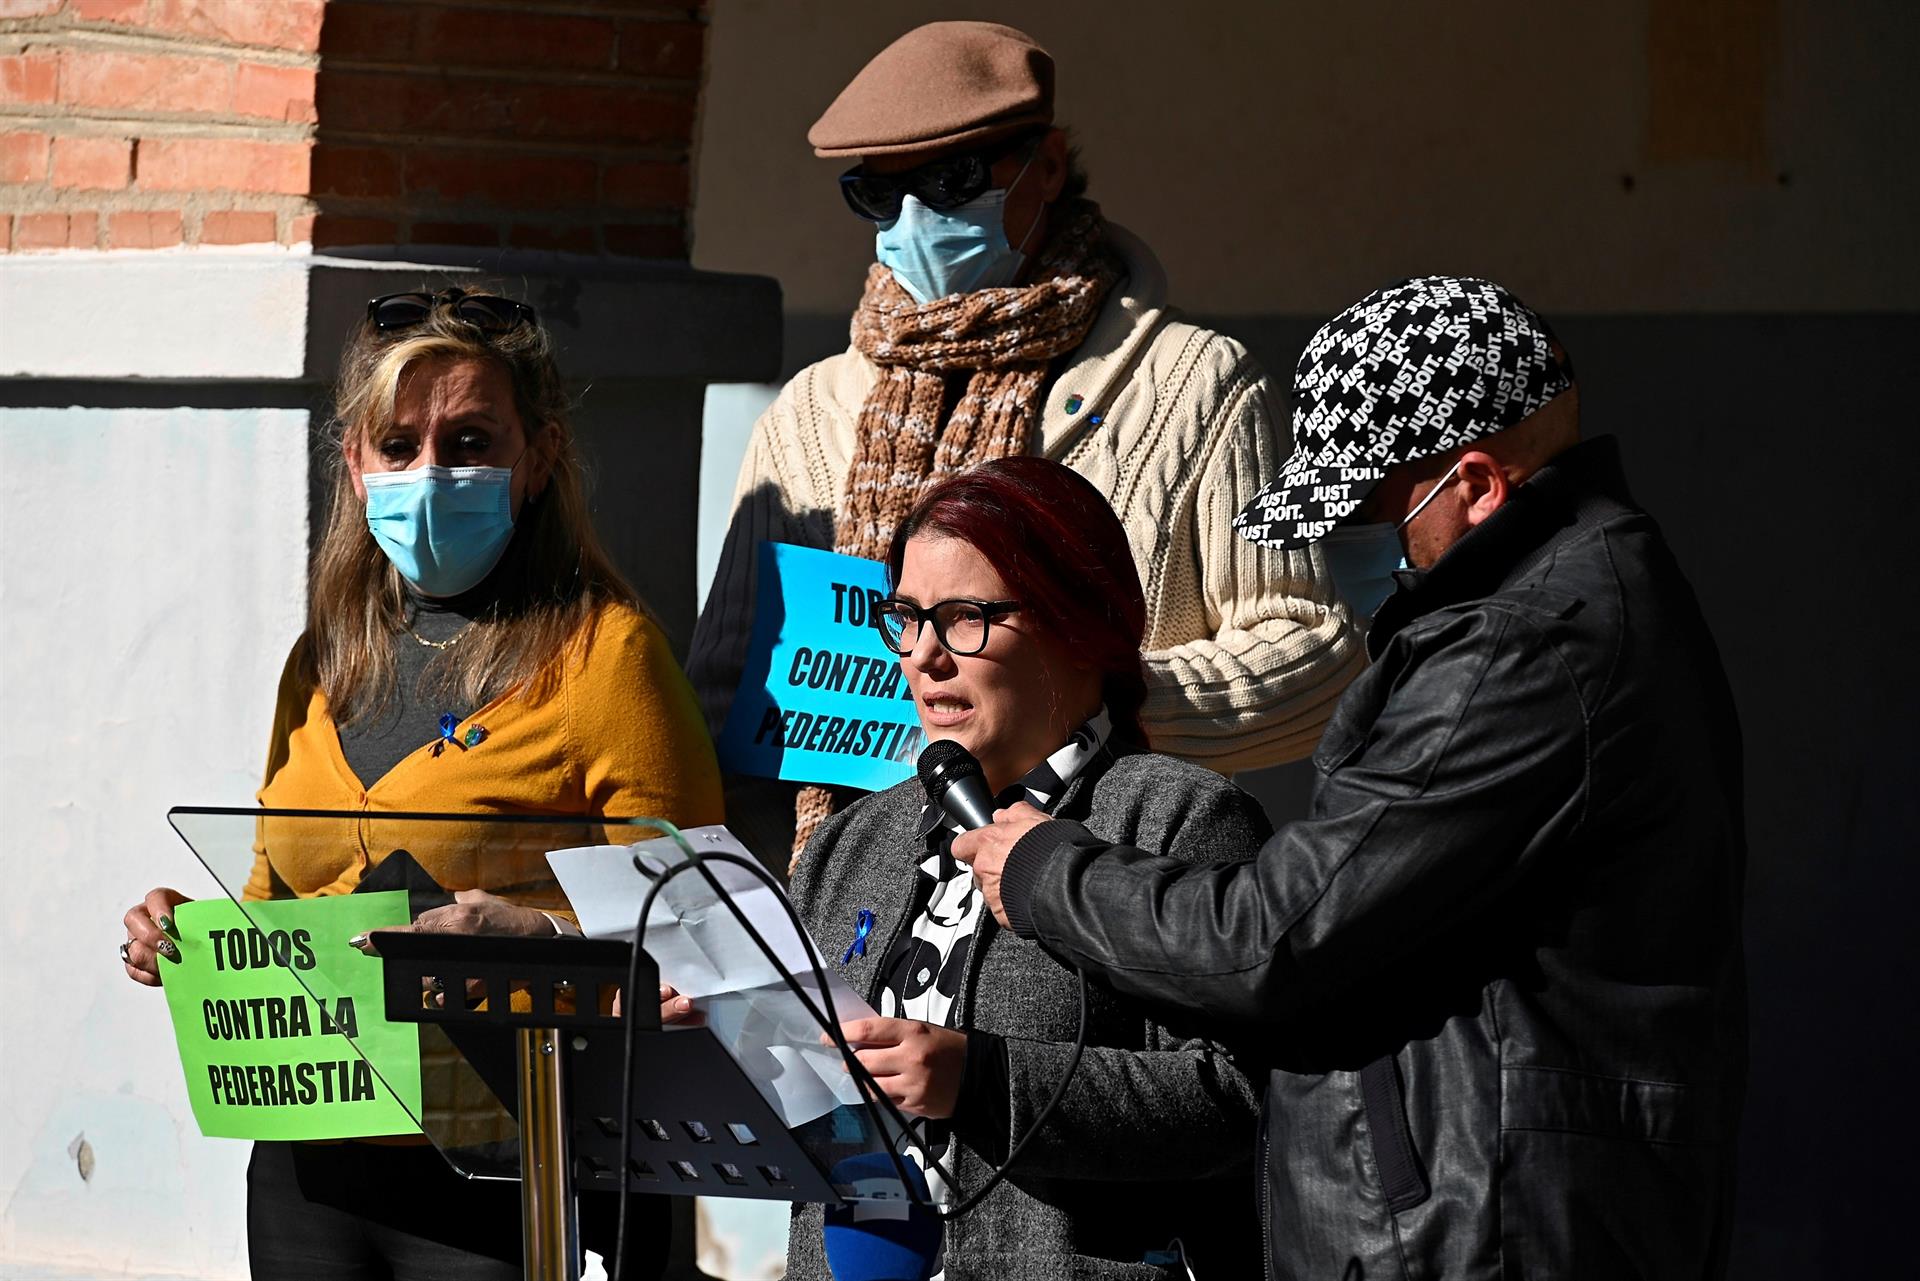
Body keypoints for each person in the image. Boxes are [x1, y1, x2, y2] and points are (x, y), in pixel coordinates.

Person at [956, 277, 1748, 1279]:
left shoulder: (1522, 647)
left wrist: (1042, 869)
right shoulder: (1585, 595)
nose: (1349, 552)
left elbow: (1276, 937)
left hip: (1480, 1232)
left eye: (1368, 512)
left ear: (1476, 483)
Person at [119, 287, 724, 1280]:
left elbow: (705, 934)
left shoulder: (607, 657)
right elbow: (280, 904)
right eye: (398, 447)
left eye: (472, 441)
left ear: (538, 459)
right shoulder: (324, 662)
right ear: (356, 463)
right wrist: (190, 938)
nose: (430, 473)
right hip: (308, 1161)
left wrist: (540, 940)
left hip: (504, 1162)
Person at [686, 19, 1363, 867]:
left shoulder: (1196, 383)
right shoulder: (813, 406)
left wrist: (1082, 707)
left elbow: (1311, 646)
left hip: (1102, 876)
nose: (911, 219)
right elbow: (725, 691)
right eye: (876, 194)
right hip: (853, 890)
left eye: (949, 179)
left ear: (1045, 167)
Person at [759, 456, 1268, 1278]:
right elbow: (808, 1105)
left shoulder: (1177, 819)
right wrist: (721, 1037)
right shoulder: (849, 842)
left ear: (1079, 627)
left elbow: (1243, 1099)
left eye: (965, 617)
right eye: (908, 618)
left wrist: (982, 1079)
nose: (923, 654)